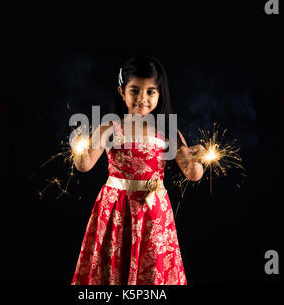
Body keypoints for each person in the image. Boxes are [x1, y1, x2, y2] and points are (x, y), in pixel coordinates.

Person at [71, 55, 204, 285]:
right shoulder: (109, 128)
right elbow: (83, 166)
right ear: (122, 92)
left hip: (153, 212)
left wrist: (197, 160)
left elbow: (193, 175)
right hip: (116, 210)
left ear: (159, 94)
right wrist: (80, 147)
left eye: (150, 92)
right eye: (134, 91)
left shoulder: (168, 131)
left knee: (151, 273)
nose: (142, 98)